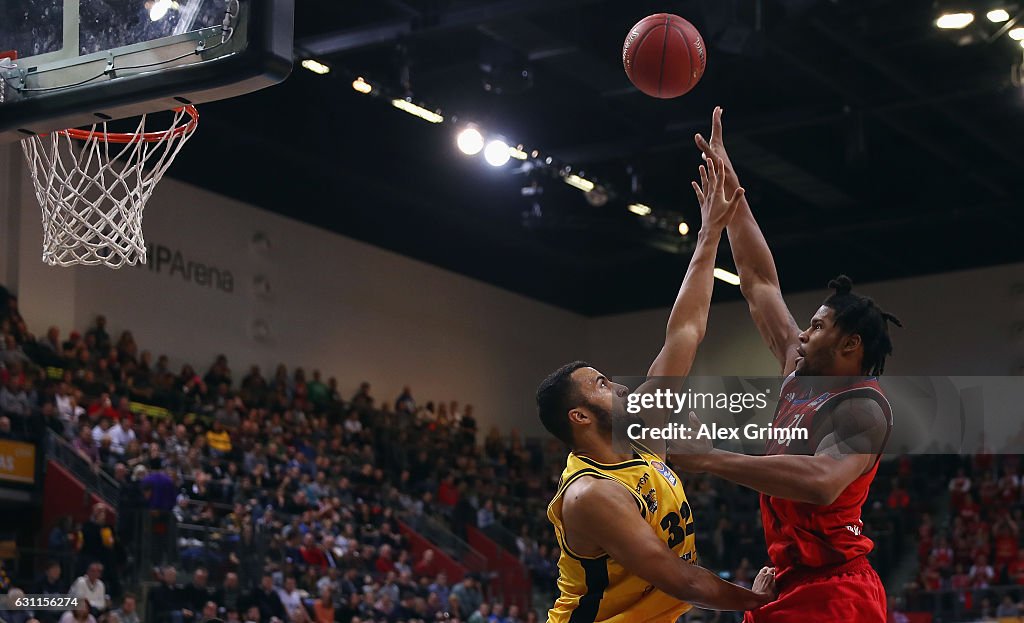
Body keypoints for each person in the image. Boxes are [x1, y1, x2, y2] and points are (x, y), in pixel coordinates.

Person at [673, 106, 903, 623]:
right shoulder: (798, 368)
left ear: (852, 345)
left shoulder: (863, 408)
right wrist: (732, 194)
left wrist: (709, 457)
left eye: (818, 326)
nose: (803, 331)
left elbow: (822, 482)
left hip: (838, 590)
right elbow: (759, 282)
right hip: (788, 581)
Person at [537, 156, 776, 622]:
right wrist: (758, 602)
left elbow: (685, 330)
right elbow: (678, 577)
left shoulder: (640, 430)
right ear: (580, 416)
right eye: (603, 384)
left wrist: (710, 233)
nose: (621, 387)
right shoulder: (591, 494)